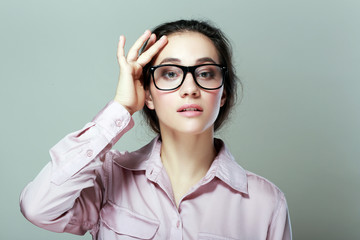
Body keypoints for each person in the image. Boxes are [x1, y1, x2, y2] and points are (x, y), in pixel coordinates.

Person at [20, 19, 292, 240]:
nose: (190, 88)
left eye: (206, 73)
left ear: (222, 94)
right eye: (171, 73)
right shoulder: (108, 177)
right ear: (147, 94)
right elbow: (38, 208)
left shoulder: (265, 202)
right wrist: (121, 108)